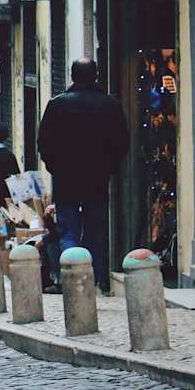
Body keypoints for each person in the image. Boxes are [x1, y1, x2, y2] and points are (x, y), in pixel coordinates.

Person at [36, 58, 130, 292]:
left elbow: (44, 143)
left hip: (66, 180)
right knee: (94, 231)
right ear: (96, 75)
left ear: (72, 75)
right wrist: (109, 168)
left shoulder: (58, 104)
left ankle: (72, 278)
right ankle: (92, 281)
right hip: (97, 179)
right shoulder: (110, 105)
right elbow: (122, 142)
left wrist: (55, 168)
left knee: (67, 231)